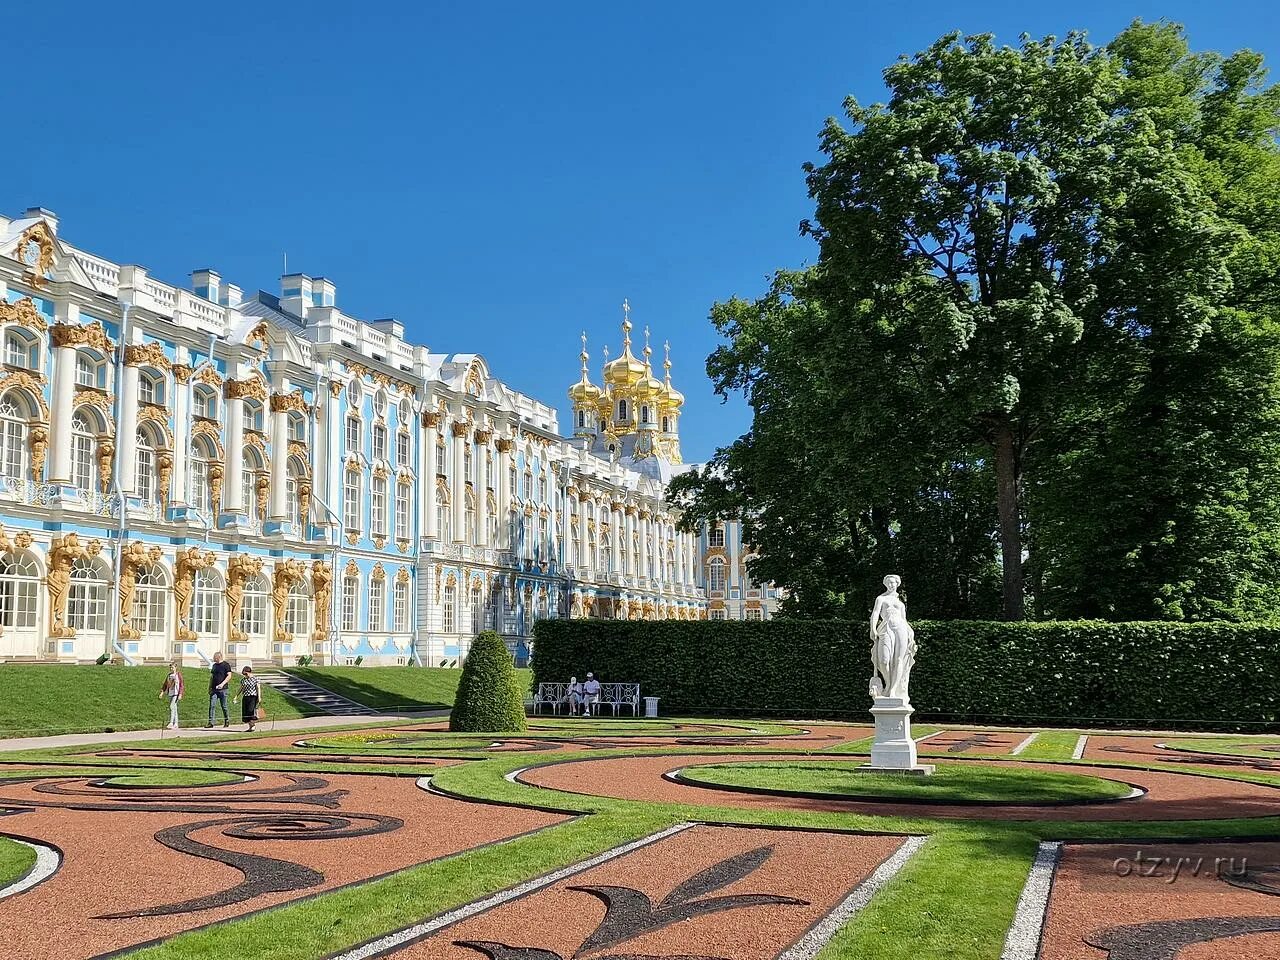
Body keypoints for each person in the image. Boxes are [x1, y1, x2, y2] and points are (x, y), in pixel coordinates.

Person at [869, 573, 916, 703]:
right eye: (888, 583)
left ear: (897, 584)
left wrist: (911, 633)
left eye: (893, 582)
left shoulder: (900, 602)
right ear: (885, 584)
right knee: (884, 660)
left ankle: (893, 690)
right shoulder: (881, 599)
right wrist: (872, 628)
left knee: (899, 660)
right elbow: (875, 614)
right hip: (885, 628)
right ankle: (888, 684)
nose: (891, 585)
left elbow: (904, 620)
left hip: (901, 629)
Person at [233, 665, 262, 732]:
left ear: (249, 672)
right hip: (246, 697)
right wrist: (236, 696)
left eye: (246, 674)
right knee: (245, 712)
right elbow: (241, 688)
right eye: (244, 674)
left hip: (253, 697)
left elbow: (258, 688)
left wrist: (259, 697)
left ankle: (253, 725)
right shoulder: (244, 680)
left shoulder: (255, 679)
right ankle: (250, 726)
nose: (245, 675)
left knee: (250, 711)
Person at [207, 652, 232, 728]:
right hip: (214, 689)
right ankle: (211, 722)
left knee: (224, 706)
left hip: (223, 689)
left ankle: (226, 720)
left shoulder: (226, 665)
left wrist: (222, 684)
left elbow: (229, 676)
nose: (213, 658)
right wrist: (209, 687)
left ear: (218, 657)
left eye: (214, 657)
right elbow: (212, 677)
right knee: (212, 705)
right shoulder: (214, 666)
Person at [159, 660, 184, 730]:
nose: (171, 669)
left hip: (176, 693)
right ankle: (176, 723)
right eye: (170, 668)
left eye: (172, 667)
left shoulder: (178, 675)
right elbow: (165, 684)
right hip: (171, 693)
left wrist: (180, 694)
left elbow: (181, 685)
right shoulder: (169, 675)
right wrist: (162, 692)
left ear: (176, 668)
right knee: (174, 708)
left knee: (171, 706)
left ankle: (171, 722)